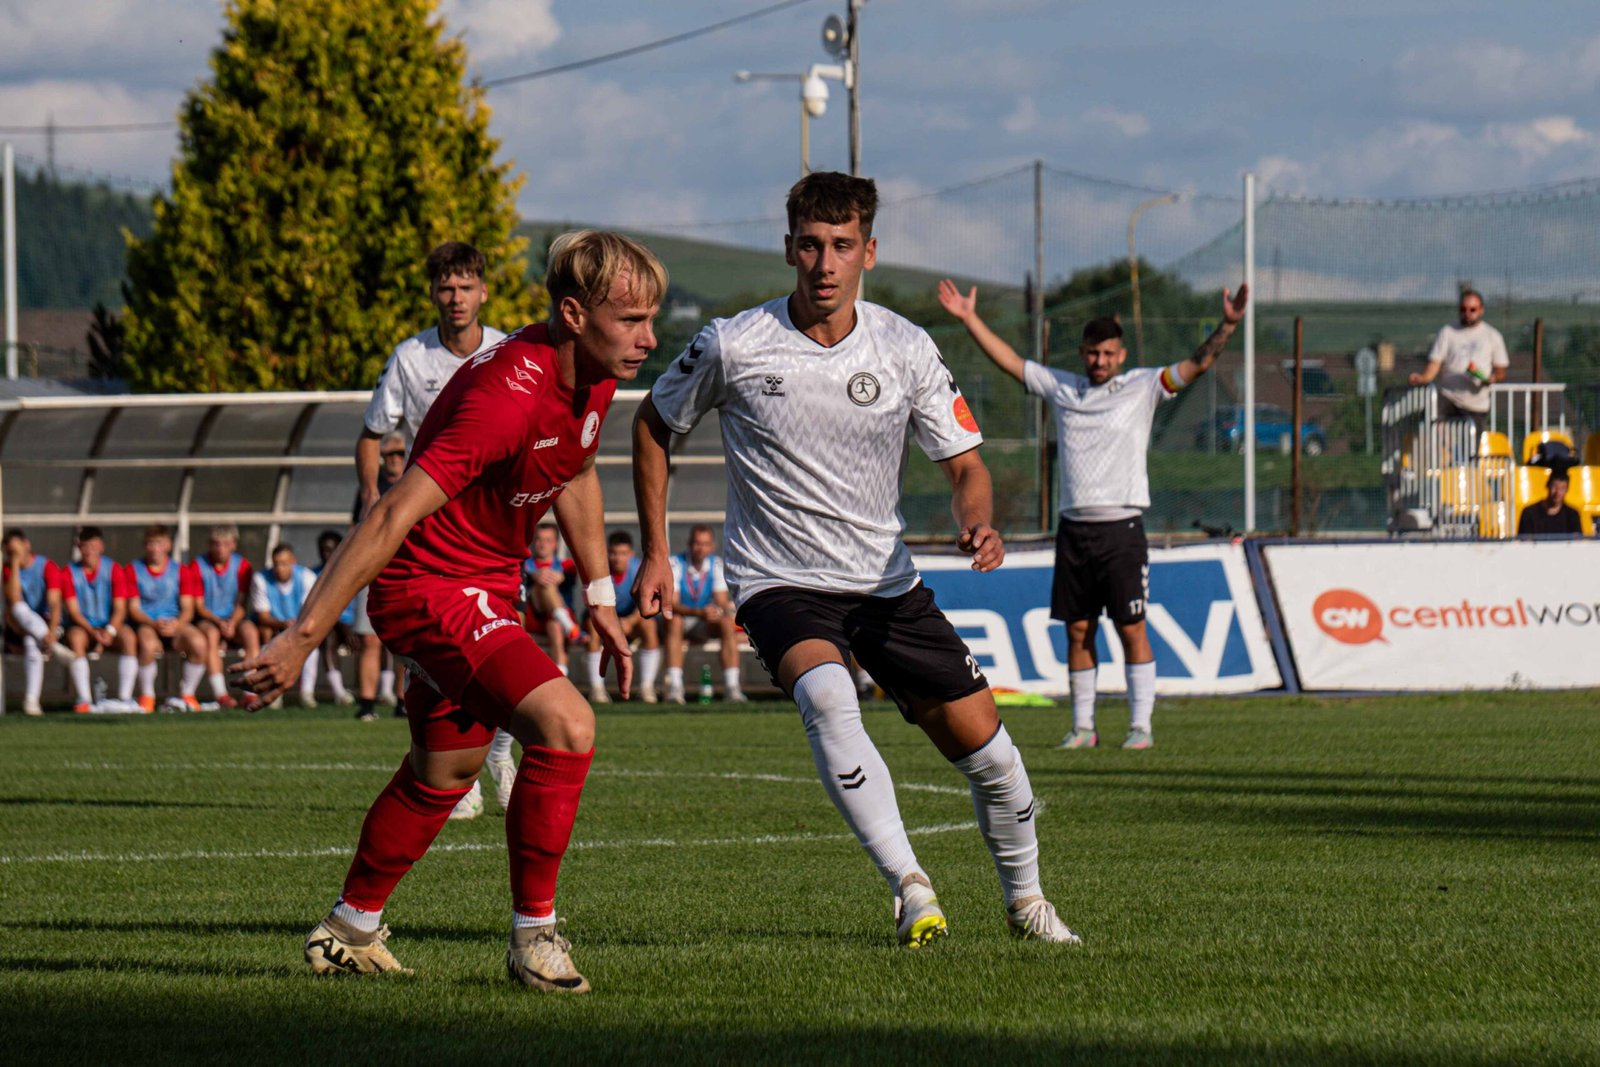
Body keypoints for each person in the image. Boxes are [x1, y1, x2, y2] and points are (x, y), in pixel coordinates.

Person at [634, 172, 1078, 946]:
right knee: (829, 696)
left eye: (842, 246)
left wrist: (977, 521)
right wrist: (653, 552)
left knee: (996, 760)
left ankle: (1028, 902)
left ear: (868, 251)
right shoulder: (734, 342)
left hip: (884, 584)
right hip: (779, 581)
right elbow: (653, 424)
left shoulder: (905, 346)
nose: (825, 263)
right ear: (789, 249)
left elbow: (966, 465)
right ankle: (911, 885)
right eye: (811, 245)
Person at [233, 229, 665, 993]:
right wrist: (302, 636)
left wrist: (600, 595)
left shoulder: (594, 376)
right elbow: (390, 514)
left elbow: (576, 471)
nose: (649, 337)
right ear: (573, 314)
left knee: (446, 768)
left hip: (483, 584)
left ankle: (349, 928)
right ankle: (534, 937)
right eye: (631, 319)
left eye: (651, 318)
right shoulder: (505, 396)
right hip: (426, 586)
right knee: (567, 724)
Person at [938, 275, 1248, 751]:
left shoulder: (1144, 386)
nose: (1099, 361)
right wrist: (969, 318)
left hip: (1122, 528)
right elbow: (1012, 363)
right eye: (1091, 353)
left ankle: (1140, 726)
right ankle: (1083, 727)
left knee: (1131, 627)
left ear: (1121, 355)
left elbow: (1197, 364)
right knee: (1078, 630)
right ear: (1082, 353)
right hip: (1074, 529)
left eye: (1107, 354)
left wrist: (1227, 325)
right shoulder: (1064, 388)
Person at [358, 243, 510, 813]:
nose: (456, 297)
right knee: (437, 653)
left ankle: (498, 754)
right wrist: (374, 500)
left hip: (495, 523)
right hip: (432, 525)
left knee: (503, 639)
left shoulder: (507, 352)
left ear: (483, 292)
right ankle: (458, 776)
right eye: (446, 287)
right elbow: (372, 434)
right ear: (433, 294)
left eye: (466, 286)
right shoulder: (410, 357)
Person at [114, 524, 207, 712]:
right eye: (151, 543)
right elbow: (134, 609)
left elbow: (188, 608)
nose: (155, 548)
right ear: (145, 546)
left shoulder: (181, 570)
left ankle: (188, 695)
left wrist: (177, 624)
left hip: (175, 623)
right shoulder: (133, 570)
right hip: (148, 623)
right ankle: (147, 697)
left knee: (199, 643)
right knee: (147, 644)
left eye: (159, 543)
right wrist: (154, 623)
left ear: (168, 545)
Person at [661, 524, 745, 704]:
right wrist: (699, 612)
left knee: (726, 623)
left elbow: (721, 601)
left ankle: (732, 687)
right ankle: (675, 686)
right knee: (674, 620)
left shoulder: (716, 564)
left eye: (705, 544)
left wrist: (719, 611)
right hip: (682, 619)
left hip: (703, 621)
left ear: (712, 546)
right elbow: (672, 603)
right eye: (697, 543)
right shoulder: (675, 563)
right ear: (689, 544)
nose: (701, 548)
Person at [1408, 289, 1509, 433]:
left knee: (1470, 443)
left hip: (1476, 404)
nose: (1467, 313)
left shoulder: (1492, 336)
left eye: (1472, 309)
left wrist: (1490, 379)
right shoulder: (1447, 332)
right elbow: (1435, 363)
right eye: (1463, 309)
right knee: (1430, 415)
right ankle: (1437, 445)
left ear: (1481, 310)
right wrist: (1422, 378)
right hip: (1449, 396)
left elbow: (1500, 371)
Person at [56, 526, 128, 714]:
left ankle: (125, 698)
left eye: (93, 546)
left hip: (109, 627)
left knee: (129, 638)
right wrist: (93, 632)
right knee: (76, 638)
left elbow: (120, 608)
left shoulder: (114, 569)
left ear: (101, 546)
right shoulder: (68, 572)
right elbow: (73, 612)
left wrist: (110, 631)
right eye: (85, 546)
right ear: (79, 547)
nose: (89, 551)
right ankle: (84, 700)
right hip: (84, 627)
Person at [583, 530, 660, 704]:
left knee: (650, 626)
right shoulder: (598, 570)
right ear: (607, 553)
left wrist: (631, 620)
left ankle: (646, 687)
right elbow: (594, 603)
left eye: (623, 553)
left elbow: (647, 602)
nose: (618, 558)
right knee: (592, 627)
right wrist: (615, 624)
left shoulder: (640, 570)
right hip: (604, 619)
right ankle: (597, 689)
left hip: (632, 620)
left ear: (631, 554)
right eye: (614, 553)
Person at [3, 528, 73, 715]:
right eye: (10, 553)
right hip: (18, 627)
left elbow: (54, 604)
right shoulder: (8, 570)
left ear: (27, 545)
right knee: (19, 608)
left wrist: (51, 633)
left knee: (31, 641)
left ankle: (31, 700)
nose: (14, 555)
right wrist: (15, 564)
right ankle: (55, 648)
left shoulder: (47, 566)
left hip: (48, 626)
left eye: (16, 550)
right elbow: (13, 600)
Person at [194, 524, 260, 710]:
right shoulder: (198, 565)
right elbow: (199, 606)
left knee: (250, 631)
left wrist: (232, 623)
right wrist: (219, 623)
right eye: (216, 544)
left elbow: (241, 602)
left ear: (233, 545)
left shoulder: (243, 566)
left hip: (233, 620)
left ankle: (250, 692)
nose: (220, 548)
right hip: (209, 619)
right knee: (211, 634)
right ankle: (221, 695)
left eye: (225, 544)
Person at [251, 543, 320, 706]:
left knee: (311, 646)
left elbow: (310, 611)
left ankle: (307, 693)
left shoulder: (307, 577)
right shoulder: (260, 579)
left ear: (293, 562)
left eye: (284, 563)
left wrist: (293, 628)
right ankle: (273, 692)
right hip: (273, 627)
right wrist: (283, 624)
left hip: (299, 627)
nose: (279, 568)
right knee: (267, 638)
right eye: (276, 564)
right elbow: (263, 616)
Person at [314, 530, 363, 710]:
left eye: (330, 550)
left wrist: (353, 627)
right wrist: (345, 628)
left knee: (374, 639)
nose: (325, 554)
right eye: (322, 550)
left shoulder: (356, 572)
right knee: (328, 638)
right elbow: (321, 608)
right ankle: (339, 693)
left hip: (357, 625)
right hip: (334, 625)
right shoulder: (314, 575)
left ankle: (384, 691)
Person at [1517, 468, 1584, 536]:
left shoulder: (1572, 515)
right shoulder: (1529, 513)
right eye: (1554, 487)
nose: (1557, 493)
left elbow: (1576, 540)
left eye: (1562, 488)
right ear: (1548, 486)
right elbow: (1525, 540)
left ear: (1566, 490)